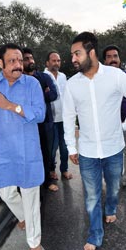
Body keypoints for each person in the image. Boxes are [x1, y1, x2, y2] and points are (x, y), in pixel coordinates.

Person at [62, 32, 126, 250]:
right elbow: (69, 118)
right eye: (72, 55)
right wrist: (71, 147)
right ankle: (95, 234)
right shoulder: (71, 85)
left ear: (91, 52)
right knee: (90, 196)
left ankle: (111, 208)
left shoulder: (115, 76)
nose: (73, 59)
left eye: (77, 53)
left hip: (114, 148)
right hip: (88, 151)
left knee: (114, 187)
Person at [0, 43, 46, 250]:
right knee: (5, 192)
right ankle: (23, 216)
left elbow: (40, 114)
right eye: (12, 61)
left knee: (31, 197)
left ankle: (34, 242)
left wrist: (9, 106)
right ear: (0, 64)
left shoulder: (31, 83)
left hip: (27, 151)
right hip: (3, 151)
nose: (18, 65)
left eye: (20, 60)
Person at [103, 45, 126, 190]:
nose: (113, 59)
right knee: (110, 153)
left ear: (119, 58)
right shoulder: (101, 78)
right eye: (109, 57)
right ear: (104, 60)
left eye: (115, 56)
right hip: (108, 123)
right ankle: (112, 180)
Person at [23, 47, 59, 192]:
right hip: (27, 123)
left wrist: (35, 98)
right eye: (26, 59)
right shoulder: (20, 80)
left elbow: (54, 95)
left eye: (31, 58)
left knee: (46, 152)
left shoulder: (44, 77)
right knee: (29, 153)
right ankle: (31, 180)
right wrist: (41, 96)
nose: (30, 61)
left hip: (45, 122)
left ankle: (47, 181)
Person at [44, 51, 72, 180]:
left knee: (64, 147)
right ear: (47, 62)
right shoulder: (43, 76)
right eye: (54, 60)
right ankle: (51, 170)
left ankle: (64, 169)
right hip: (51, 119)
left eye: (58, 60)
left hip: (64, 118)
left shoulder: (63, 76)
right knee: (52, 147)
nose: (56, 63)